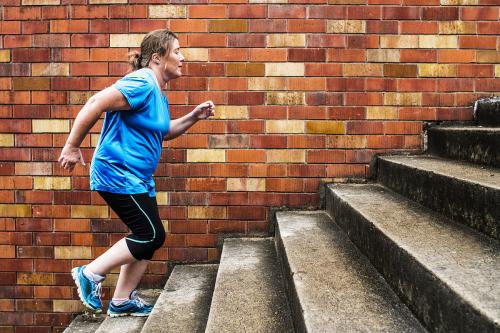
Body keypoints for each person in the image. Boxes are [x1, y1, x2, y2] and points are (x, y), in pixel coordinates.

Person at [58, 29, 215, 317]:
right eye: (177, 51)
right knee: (150, 234)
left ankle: (122, 301)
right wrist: (72, 146)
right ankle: (90, 273)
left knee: (148, 235)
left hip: (137, 177)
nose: (183, 58)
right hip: (118, 172)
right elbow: (96, 103)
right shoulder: (141, 82)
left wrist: (193, 117)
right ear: (157, 58)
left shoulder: (156, 91)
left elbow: (163, 133)